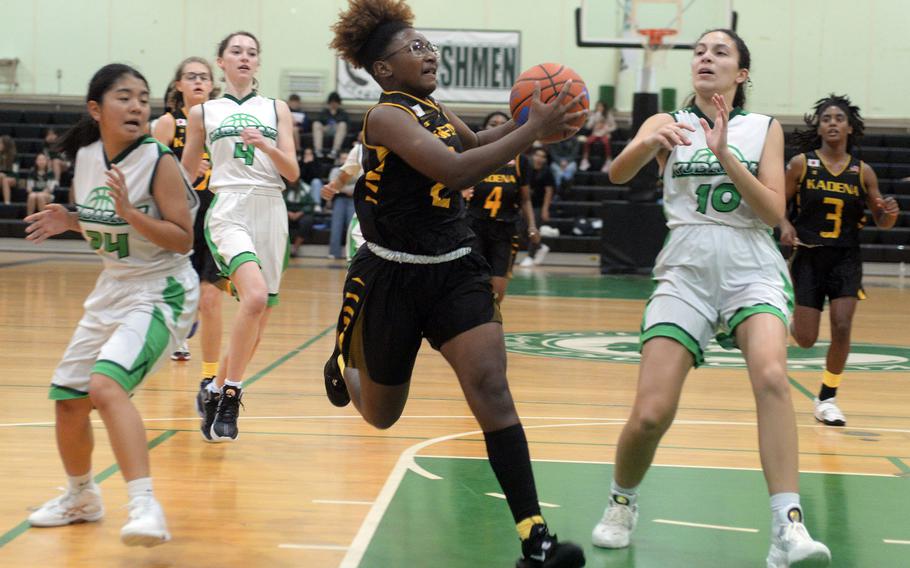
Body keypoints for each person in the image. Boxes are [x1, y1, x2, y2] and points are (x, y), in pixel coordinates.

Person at [324, 2, 587, 566]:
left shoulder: (432, 108)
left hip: (453, 266)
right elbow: (457, 170)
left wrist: (532, 120)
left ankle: (534, 538)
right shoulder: (387, 117)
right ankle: (346, 360)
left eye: (428, 44)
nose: (429, 53)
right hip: (391, 273)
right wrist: (531, 132)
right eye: (414, 47)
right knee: (380, 415)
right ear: (384, 70)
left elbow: (472, 146)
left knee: (491, 387)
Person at [590, 29, 831, 568]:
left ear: (741, 74)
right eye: (700, 51)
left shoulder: (761, 128)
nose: (706, 57)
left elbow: (773, 213)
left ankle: (787, 528)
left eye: (720, 52)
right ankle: (621, 501)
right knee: (652, 412)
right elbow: (617, 171)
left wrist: (725, 156)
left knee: (771, 375)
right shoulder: (665, 121)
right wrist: (649, 143)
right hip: (686, 268)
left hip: (751, 266)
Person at [23, 63, 199, 547]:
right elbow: (102, 223)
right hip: (113, 288)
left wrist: (127, 214)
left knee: (104, 387)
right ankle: (81, 496)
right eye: (125, 97)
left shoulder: (158, 160)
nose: (138, 105)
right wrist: (70, 220)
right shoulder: (85, 157)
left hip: (162, 288)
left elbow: (182, 240)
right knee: (68, 400)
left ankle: (145, 505)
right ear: (96, 109)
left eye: (143, 97)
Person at [182, 31, 299, 442]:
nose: (245, 57)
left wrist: (266, 146)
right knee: (252, 296)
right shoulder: (203, 113)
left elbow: (292, 172)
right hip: (229, 206)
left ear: (257, 63)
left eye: (252, 52)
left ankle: (213, 392)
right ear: (222, 61)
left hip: (271, 208)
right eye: (237, 52)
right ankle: (231, 391)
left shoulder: (276, 108)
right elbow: (184, 174)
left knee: (260, 313)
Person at [780, 94, 900, 427]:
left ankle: (827, 398)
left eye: (838, 118)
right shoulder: (801, 164)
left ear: (849, 127)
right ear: (818, 127)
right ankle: (782, 312)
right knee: (805, 339)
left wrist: (889, 211)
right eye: (826, 118)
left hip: (846, 258)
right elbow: (778, 205)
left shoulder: (864, 172)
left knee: (843, 326)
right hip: (809, 257)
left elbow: (882, 219)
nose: (832, 123)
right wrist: (785, 225)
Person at [153, 56, 224, 388]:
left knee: (210, 294)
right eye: (191, 76)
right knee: (179, 287)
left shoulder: (223, 121)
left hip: (216, 212)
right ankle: (179, 328)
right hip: (181, 213)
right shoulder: (168, 123)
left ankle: (209, 378)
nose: (198, 81)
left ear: (212, 85)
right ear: (178, 84)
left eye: (204, 77)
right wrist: (181, 171)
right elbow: (147, 171)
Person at [466, 111, 539, 302]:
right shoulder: (473, 156)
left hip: (505, 229)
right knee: (473, 281)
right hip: (475, 226)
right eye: (493, 124)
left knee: (498, 289)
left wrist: (532, 225)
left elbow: (525, 199)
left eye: (502, 123)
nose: (498, 127)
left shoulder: (520, 161)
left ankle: (490, 320)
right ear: (484, 129)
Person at [519, 147, 555, 267]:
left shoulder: (547, 171)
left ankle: (530, 256)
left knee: (533, 230)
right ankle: (541, 246)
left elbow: (549, 191)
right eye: (537, 155)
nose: (539, 158)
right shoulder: (526, 168)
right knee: (521, 229)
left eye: (543, 156)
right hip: (525, 204)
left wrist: (545, 209)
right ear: (533, 156)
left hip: (538, 206)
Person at [324, 149, 358, 259]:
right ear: (339, 159)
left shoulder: (356, 169)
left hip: (354, 200)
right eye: (342, 158)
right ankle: (334, 253)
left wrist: (341, 187)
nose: (344, 160)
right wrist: (344, 189)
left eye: (346, 158)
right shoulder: (335, 170)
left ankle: (354, 254)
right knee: (336, 226)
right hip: (339, 200)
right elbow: (332, 185)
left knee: (352, 227)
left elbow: (358, 186)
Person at [312, 91, 349, 159]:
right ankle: (318, 150)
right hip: (325, 130)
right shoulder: (324, 112)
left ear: (338, 103)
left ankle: (334, 151)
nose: (333, 104)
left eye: (335, 102)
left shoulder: (342, 113)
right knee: (316, 124)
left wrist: (336, 126)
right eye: (332, 102)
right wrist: (324, 127)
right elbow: (318, 121)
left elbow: (348, 126)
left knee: (342, 124)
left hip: (337, 131)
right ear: (329, 103)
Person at [0, 135, 17, 204]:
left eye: (0, 143)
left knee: (4, 178)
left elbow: (15, 172)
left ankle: (7, 202)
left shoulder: (14, 156)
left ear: (5, 144)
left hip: (12, 177)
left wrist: (5, 175)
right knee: (2, 177)